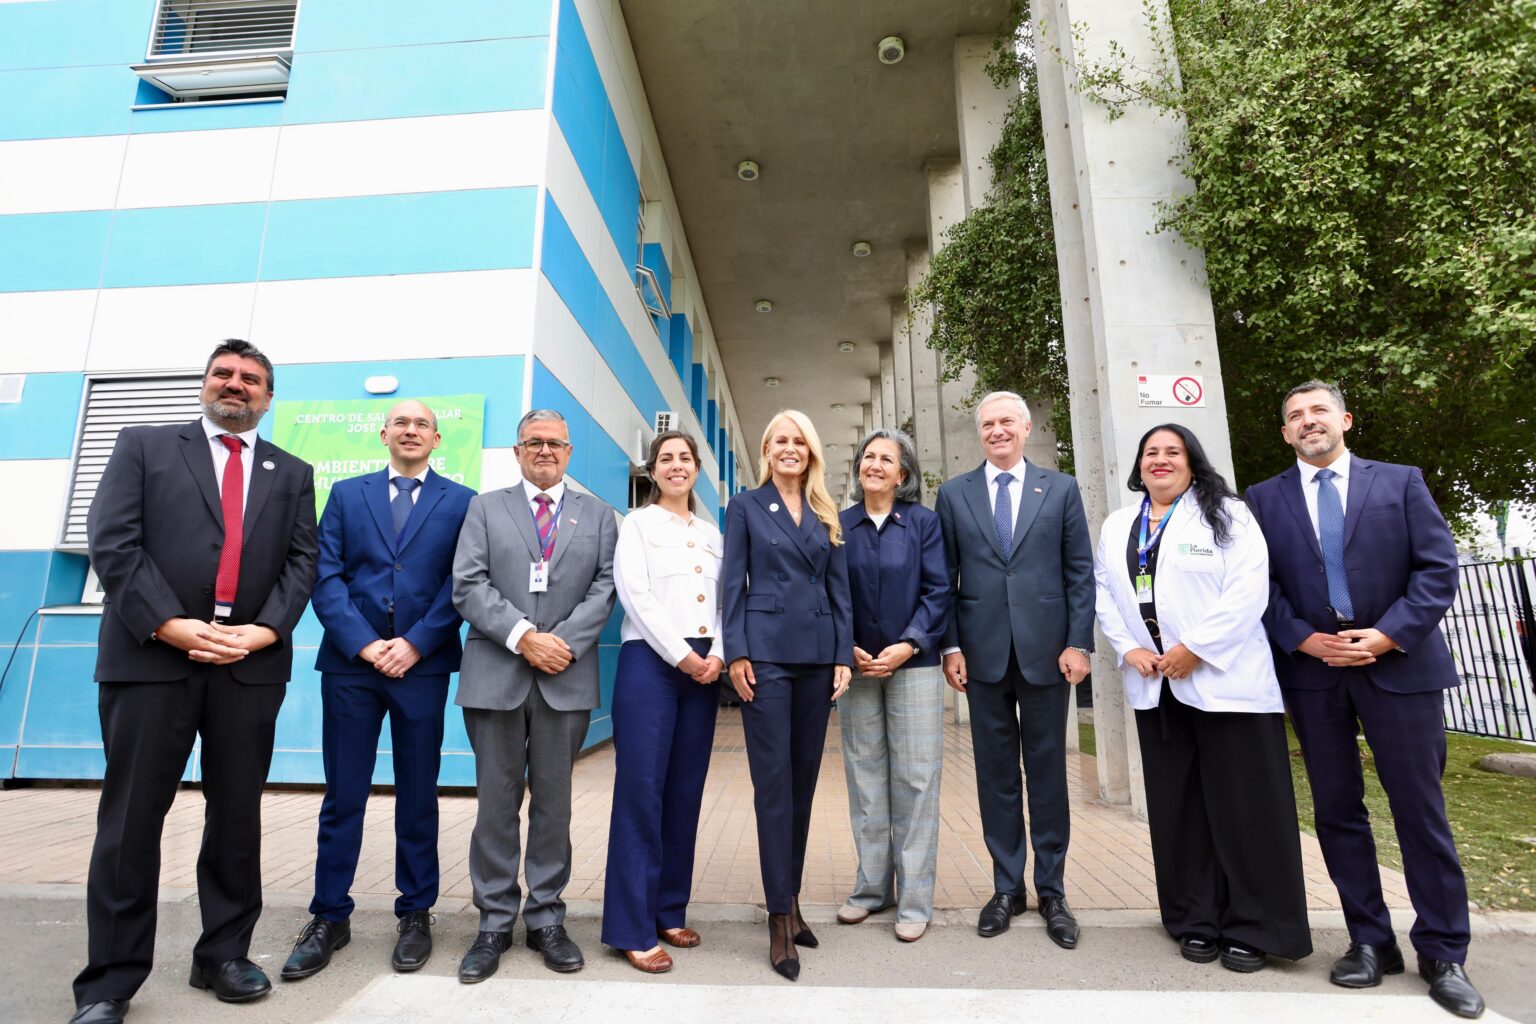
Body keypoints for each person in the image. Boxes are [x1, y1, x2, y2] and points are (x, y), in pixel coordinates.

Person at [71, 340, 318, 1024]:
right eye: (223, 374)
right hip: (151, 659)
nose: (235, 384)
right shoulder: (143, 445)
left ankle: (223, 956)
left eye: (251, 379)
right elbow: (113, 541)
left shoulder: (291, 471)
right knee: (131, 820)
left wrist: (266, 631)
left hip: (247, 666)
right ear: (206, 383)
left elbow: (302, 562)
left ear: (268, 397)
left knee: (236, 815)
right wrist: (168, 624)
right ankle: (109, 982)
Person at [1246, 381, 1484, 1019]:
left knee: (1419, 811)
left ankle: (1443, 951)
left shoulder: (1400, 482)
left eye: (1319, 410)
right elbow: (1258, 585)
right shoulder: (1262, 499)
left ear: (1344, 419)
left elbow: (1437, 569)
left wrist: (1387, 634)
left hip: (1399, 667)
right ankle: (1370, 941)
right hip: (1315, 673)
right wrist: (1303, 639)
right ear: (1285, 433)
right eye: (1295, 415)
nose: (1308, 421)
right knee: (1336, 811)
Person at [1093, 423, 1311, 972]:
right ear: (1139, 466)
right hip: (1157, 683)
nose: (1160, 460)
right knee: (1180, 809)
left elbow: (1248, 590)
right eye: (1151, 452)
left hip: (1225, 684)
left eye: (1173, 451)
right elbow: (1104, 591)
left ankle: (1256, 926)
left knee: (1245, 809)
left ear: (1192, 462)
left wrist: (1197, 649)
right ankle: (1195, 918)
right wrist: (1129, 648)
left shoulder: (1228, 515)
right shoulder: (1119, 525)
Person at [281, 400, 474, 982]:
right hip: (351, 667)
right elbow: (326, 575)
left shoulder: (463, 502)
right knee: (344, 795)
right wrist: (366, 645)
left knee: (419, 793)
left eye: (422, 424)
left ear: (437, 439)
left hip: (423, 665)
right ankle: (329, 916)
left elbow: (460, 583)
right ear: (383, 434)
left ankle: (415, 913)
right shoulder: (346, 495)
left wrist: (415, 643)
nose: (411, 431)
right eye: (401, 423)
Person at [450, 409, 618, 981]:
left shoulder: (598, 515)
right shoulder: (484, 508)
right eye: (534, 442)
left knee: (554, 805)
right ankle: (494, 922)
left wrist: (559, 644)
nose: (545, 450)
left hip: (564, 676)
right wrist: (525, 637)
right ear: (517, 451)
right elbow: (468, 584)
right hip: (495, 674)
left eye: (555, 443)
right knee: (495, 805)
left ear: (569, 452)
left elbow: (606, 587)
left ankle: (546, 918)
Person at [936, 390, 1092, 949]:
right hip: (981, 657)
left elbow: (1079, 572)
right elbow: (945, 577)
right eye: (987, 424)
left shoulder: (1062, 489)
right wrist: (951, 647)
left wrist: (1079, 643)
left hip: (1048, 654)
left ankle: (1052, 891)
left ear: (1026, 428)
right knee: (996, 776)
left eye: (1006, 422)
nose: (997, 431)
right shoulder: (954, 494)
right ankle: (1007, 888)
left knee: (1047, 773)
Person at [721, 409, 853, 981]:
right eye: (780, 440)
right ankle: (778, 917)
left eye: (799, 440)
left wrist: (843, 654)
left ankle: (792, 900)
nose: (790, 448)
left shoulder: (826, 511)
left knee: (802, 786)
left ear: (811, 451)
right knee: (773, 788)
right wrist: (736, 652)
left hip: (818, 658)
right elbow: (732, 584)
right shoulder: (746, 506)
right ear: (767, 450)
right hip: (767, 657)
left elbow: (840, 590)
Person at [601, 430, 726, 973]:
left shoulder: (712, 533)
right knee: (641, 792)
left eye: (685, 457)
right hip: (652, 662)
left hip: (705, 666)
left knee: (684, 792)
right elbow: (636, 596)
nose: (677, 465)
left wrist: (717, 654)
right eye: (666, 458)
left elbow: (726, 600)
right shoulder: (637, 524)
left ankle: (669, 909)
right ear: (653, 470)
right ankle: (630, 927)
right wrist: (684, 656)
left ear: (696, 468)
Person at [835, 429, 951, 943]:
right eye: (869, 456)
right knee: (865, 777)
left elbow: (939, 590)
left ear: (903, 473)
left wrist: (910, 643)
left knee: (917, 780)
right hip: (858, 668)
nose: (875, 464)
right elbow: (829, 593)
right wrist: (846, 647)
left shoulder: (924, 523)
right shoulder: (839, 525)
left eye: (887, 458)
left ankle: (915, 900)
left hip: (914, 666)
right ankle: (871, 889)